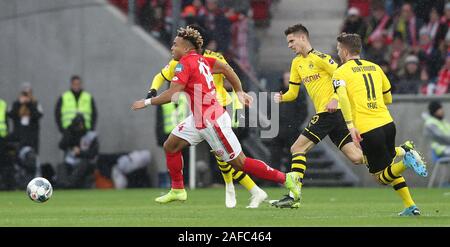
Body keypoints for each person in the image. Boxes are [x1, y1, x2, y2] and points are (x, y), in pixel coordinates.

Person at [131, 27, 302, 205]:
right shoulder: (205, 60)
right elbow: (228, 70)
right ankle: (178, 189)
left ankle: (286, 179)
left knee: (240, 163)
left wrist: (145, 102)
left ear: (187, 48)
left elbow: (171, 94)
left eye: (175, 45)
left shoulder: (184, 64)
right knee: (171, 145)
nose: (172, 48)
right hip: (199, 118)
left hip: (212, 122)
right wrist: (239, 91)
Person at [147, 24, 267, 208]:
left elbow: (229, 73)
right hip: (202, 112)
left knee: (228, 157)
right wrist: (153, 90)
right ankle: (239, 189)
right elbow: (161, 76)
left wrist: (238, 91)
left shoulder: (207, 59)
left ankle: (241, 189)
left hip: (216, 111)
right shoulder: (188, 61)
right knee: (223, 156)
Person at [333, 33, 427, 216]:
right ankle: (411, 205)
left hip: (368, 128)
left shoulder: (340, 72)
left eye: (338, 50)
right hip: (387, 124)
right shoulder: (376, 68)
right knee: (389, 167)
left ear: (345, 51)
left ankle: (407, 159)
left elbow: (342, 97)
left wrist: (350, 125)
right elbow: (388, 98)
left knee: (380, 178)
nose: (338, 53)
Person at [271, 24, 364, 208]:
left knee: (297, 148)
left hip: (330, 113)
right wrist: (282, 97)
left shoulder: (322, 58)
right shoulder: (297, 63)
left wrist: (336, 98)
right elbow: (293, 93)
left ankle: (294, 195)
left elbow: (343, 80)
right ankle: (398, 153)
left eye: (291, 41)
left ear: (303, 38)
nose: (289, 45)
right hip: (331, 117)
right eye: (287, 42)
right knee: (357, 158)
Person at [270, 71, 308, 172]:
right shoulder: (277, 92)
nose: (288, 81)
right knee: (275, 155)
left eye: (290, 79)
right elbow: (271, 110)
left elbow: (303, 112)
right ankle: (274, 178)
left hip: (292, 130)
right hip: (278, 129)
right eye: (286, 79)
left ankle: (290, 177)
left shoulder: (299, 93)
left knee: (292, 155)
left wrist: (294, 125)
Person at [56, 114, 98, 189]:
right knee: (61, 166)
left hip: (85, 160)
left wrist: (81, 152)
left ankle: (70, 185)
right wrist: (68, 132)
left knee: (82, 165)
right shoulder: (71, 133)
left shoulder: (90, 136)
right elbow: (61, 146)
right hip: (71, 161)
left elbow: (93, 154)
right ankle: (63, 185)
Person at [7, 82, 43, 153]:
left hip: (32, 138)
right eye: (24, 93)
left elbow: (38, 115)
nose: (26, 95)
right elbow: (10, 114)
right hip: (18, 137)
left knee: (31, 158)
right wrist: (19, 103)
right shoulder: (15, 103)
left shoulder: (35, 104)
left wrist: (29, 104)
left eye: (28, 93)